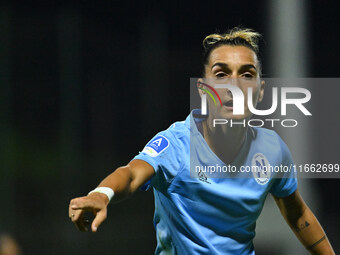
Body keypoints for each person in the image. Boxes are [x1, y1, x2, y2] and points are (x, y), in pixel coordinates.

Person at [69, 27, 334, 254]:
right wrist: (102, 194)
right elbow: (131, 173)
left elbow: (298, 213)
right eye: (221, 75)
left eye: (247, 74)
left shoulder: (272, 149)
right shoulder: (177, 144)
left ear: (260, 91)